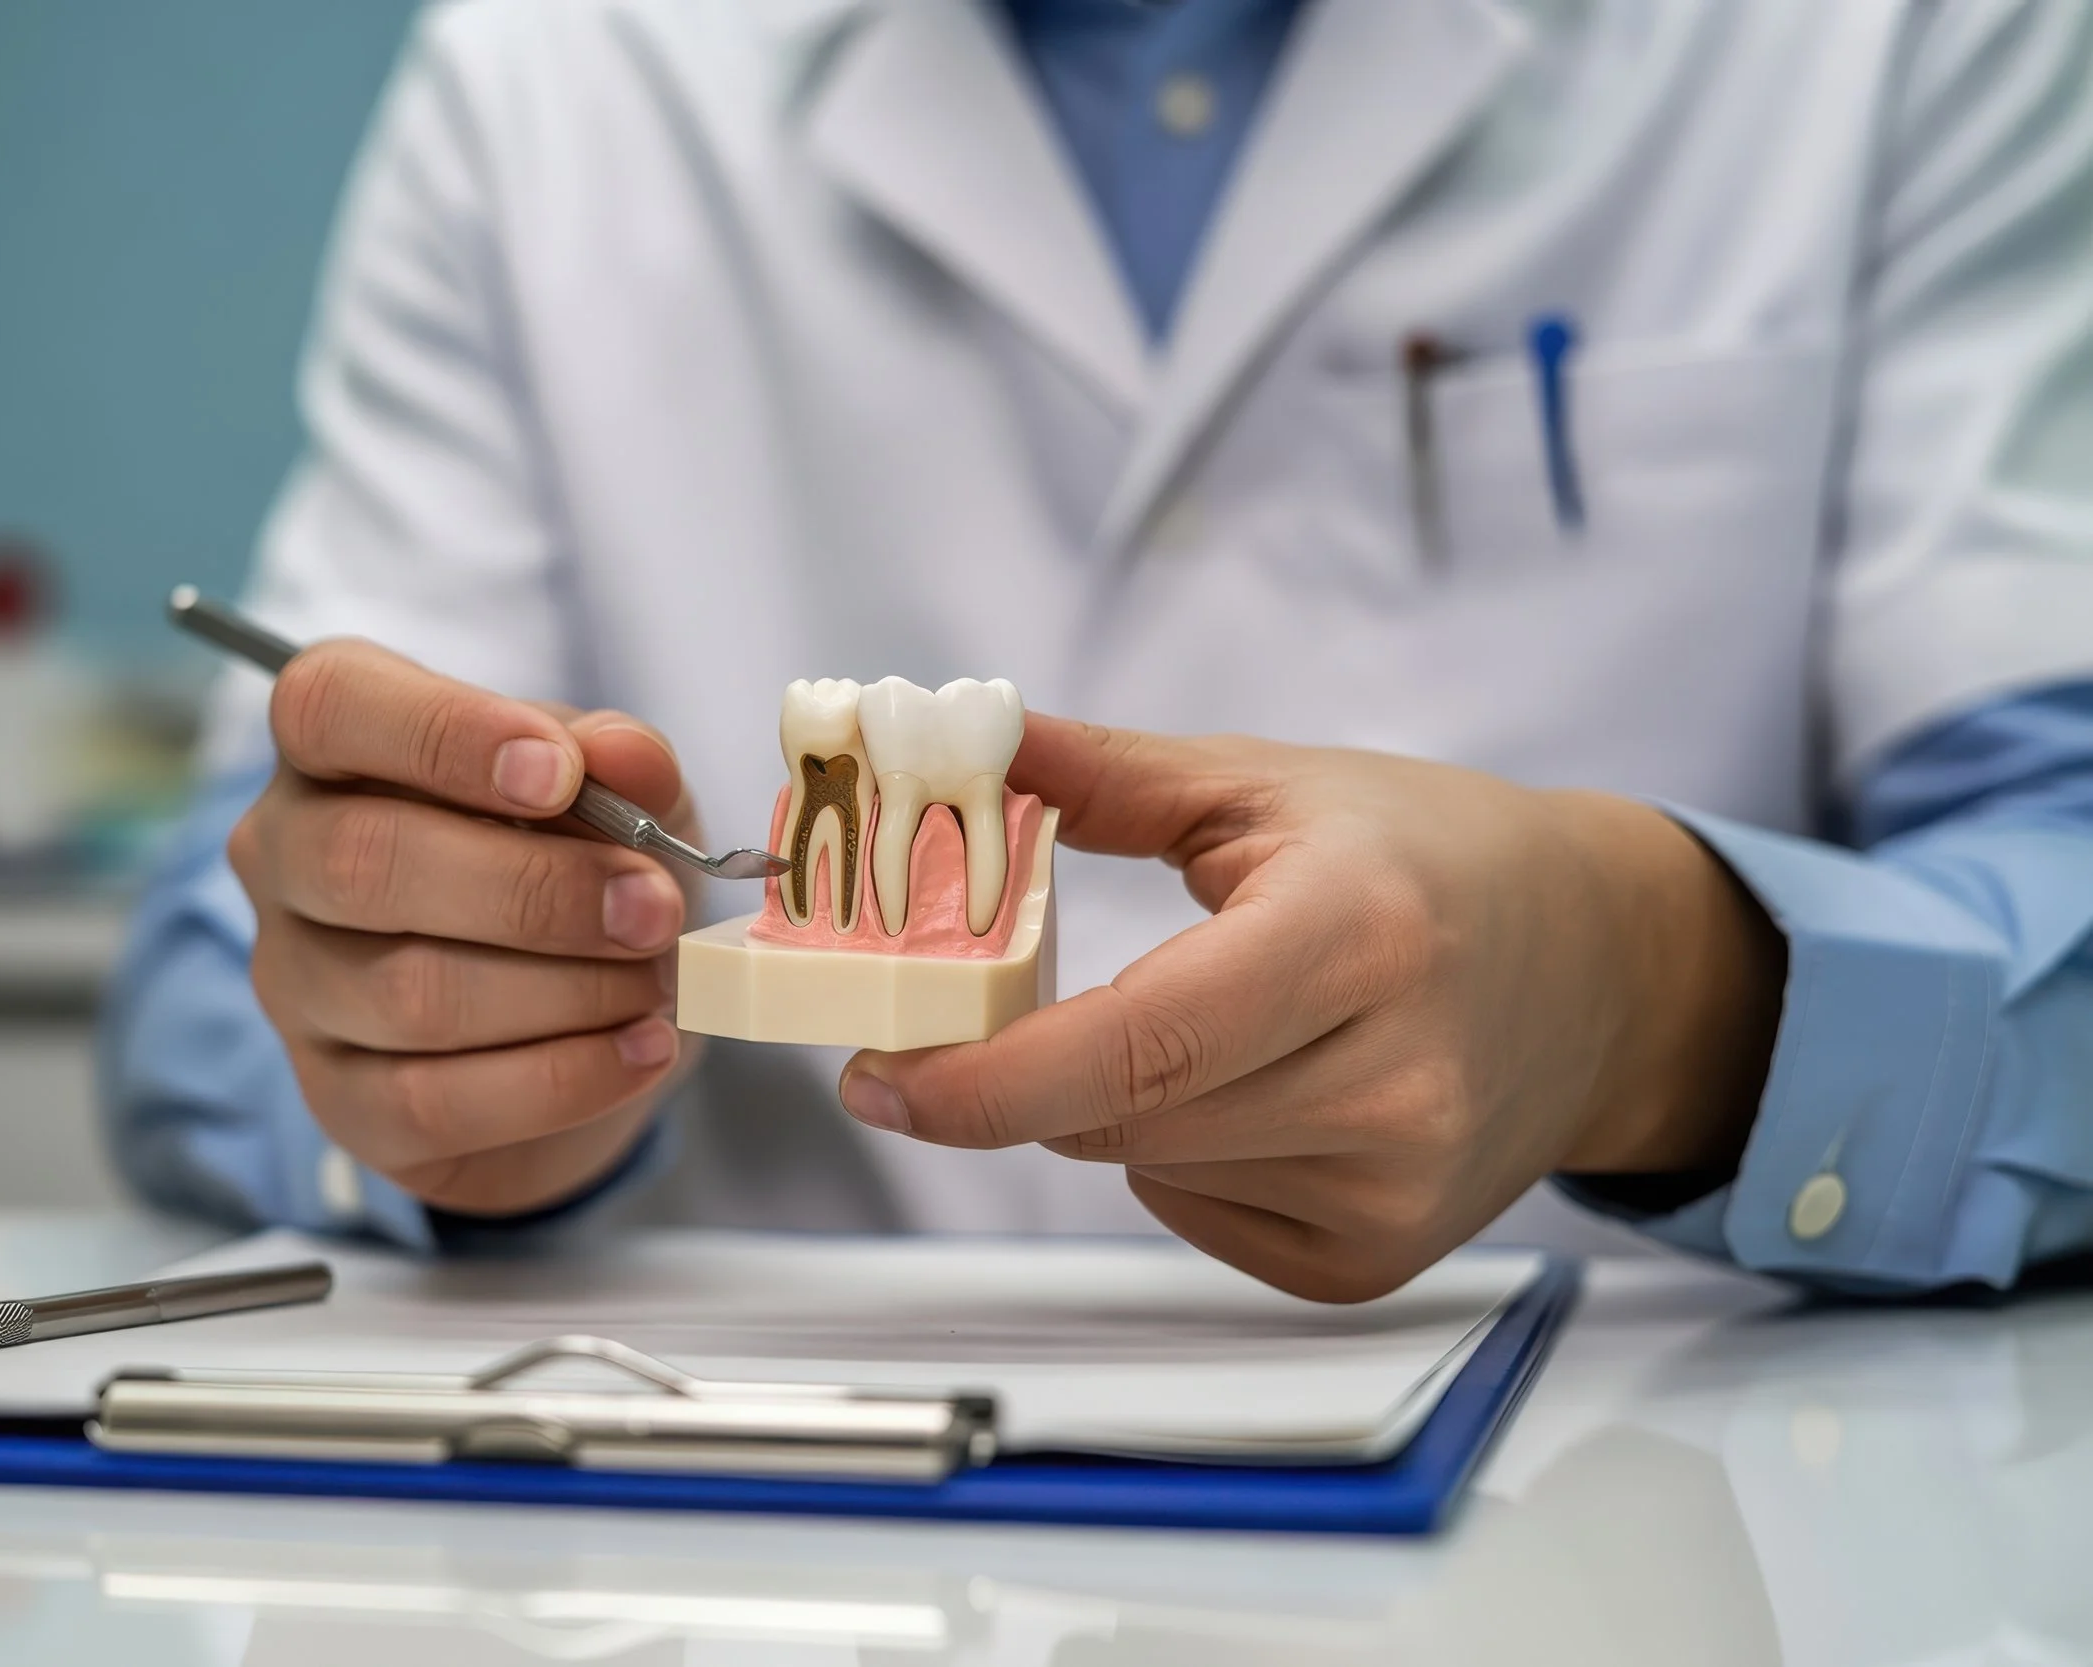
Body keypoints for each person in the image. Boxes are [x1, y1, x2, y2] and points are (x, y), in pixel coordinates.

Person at [103, 0, 2093, 1299]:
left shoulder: (1909, 40)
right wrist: (437, 1055)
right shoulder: (547, 73)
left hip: (1649, 1491)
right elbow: (225, 947)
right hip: (749, 1529)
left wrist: (1652, 995)